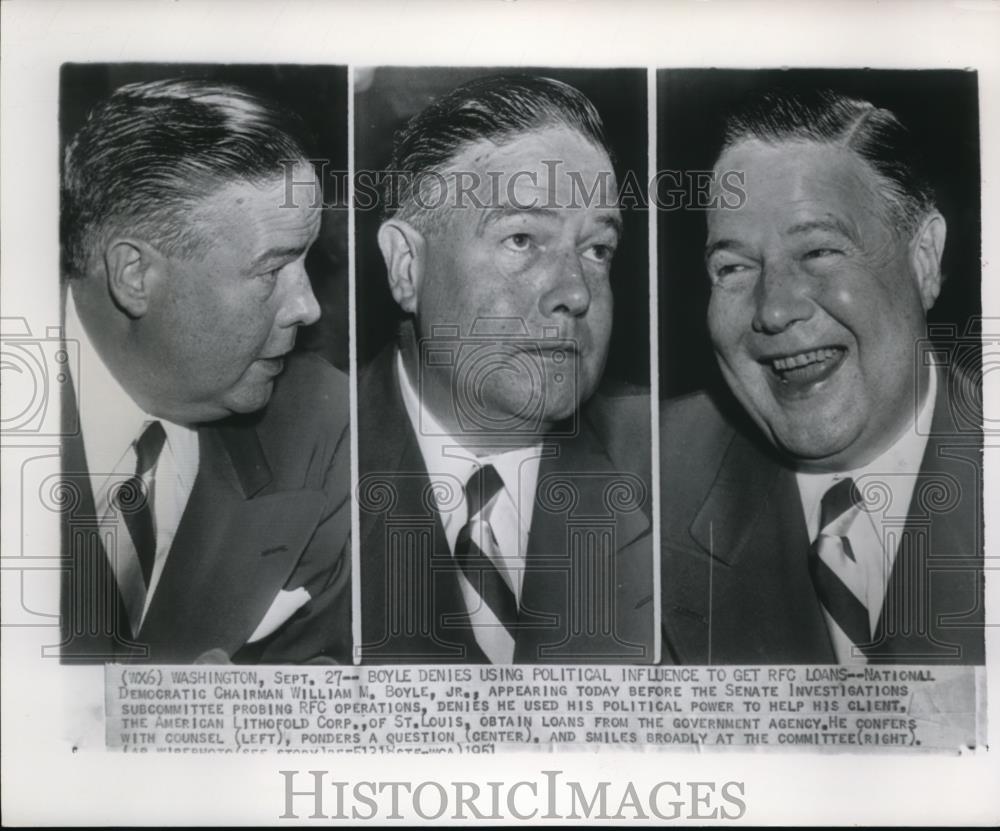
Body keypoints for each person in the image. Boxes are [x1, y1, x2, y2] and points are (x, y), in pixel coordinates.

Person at [660, 89, 983, 665]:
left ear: (925, 258)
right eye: (733, 267)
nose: (774, 309)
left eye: (817, 251)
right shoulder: (643, 486)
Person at [358, 74, 653, 664]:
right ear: (407, 266)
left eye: (598, 249)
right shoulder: (310, 455)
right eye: (522, 239)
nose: (575, 292)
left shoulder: (668, 465)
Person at [59, 79, 351, 664]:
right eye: (273, 269)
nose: (308, 307)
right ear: (134, 276)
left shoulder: (327, 427)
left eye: (307, 260)